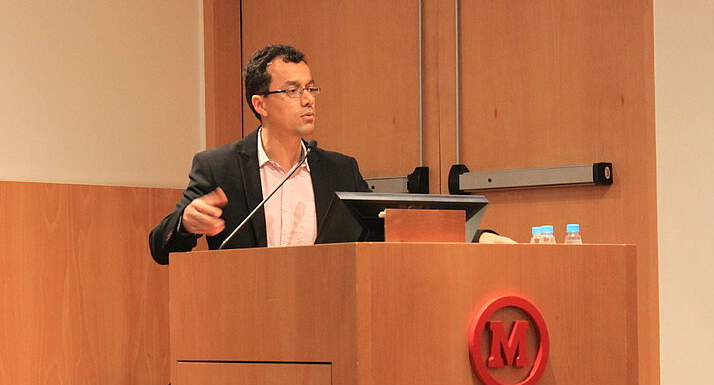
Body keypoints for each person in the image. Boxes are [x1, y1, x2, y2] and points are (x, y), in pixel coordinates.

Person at [149, 44, 511, 265]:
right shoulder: (219, 166)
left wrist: (474, 236)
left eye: (311, 88)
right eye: (292, 91)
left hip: (326, 315)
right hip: (247, 316)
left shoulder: (339, 170)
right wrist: (185, 224)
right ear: (260, 104)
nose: (308, 99)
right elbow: (161, 248)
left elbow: (387, 229)